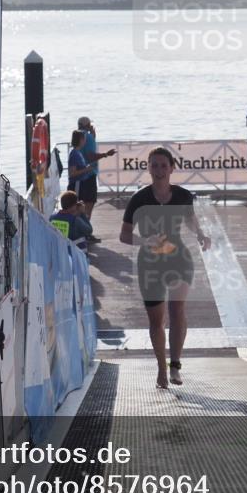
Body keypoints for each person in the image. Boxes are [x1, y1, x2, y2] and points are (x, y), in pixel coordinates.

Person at [119, 147, 212, 389]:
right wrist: (144, 241)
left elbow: (190, 220)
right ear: (148, 168)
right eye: (154, 165)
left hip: (178, 258)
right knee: (156, 320)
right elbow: (124, 235)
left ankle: (175, 365)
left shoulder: (183, 196)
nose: (159, 170)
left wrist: (201, 234)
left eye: (163, 165)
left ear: (172, 168)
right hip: (150, 263)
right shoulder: (139, 199)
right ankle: (161, 367)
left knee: (177, 309)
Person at [76, 116, 116, 228]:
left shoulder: (77, 136)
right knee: (89, 202)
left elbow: (84, 151)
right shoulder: (88, 137)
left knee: (81, 202)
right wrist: (106, 154)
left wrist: (93, 137)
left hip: (79, 175)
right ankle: (85, 228)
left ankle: (82, 227)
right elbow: (90, 156)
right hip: (88, 174)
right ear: (88, 125)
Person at [67, 130, 95, 201]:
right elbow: (72, 173)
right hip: (76, 184)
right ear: (80, 140)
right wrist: (87, 169)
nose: (85, 141)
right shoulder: (74, 154)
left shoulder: (78, 152)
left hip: (81, 184)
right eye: (84, 139)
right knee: (76, 204)